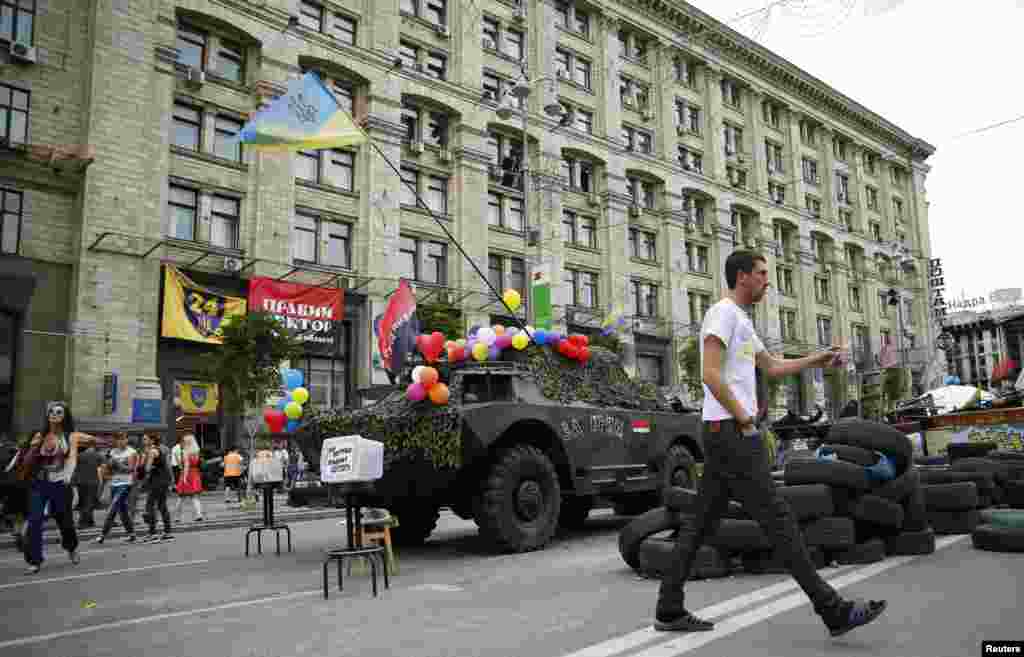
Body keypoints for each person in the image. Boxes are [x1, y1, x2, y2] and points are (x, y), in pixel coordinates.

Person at [654, 250, 887, 638]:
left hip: (726, 433)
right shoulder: (722, 313)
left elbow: (773, 366)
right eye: (762, 273)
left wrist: (817, 359)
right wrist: (744, 417)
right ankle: (833, 610)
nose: (768, 280)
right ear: (742, 276)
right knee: (778, 520)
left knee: (700, 522)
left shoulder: (742, 320)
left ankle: (669, 606)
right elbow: (710, 374)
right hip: (730, 431)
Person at [21, 401, 94, 574]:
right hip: (39, 483)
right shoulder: (38, 434)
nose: (54, 415)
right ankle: (35, 560)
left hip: (61, 485)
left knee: (65, 520)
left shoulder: (70, 437)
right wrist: (33, 447)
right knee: (35, 520)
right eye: (51, 412)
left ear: (64, 416)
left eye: (59, 412)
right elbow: (26, 461)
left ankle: (71, 547)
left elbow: (74, 460)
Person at [94, 432, 138, 544]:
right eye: (118, 439)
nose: (121, 441)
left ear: (127, 440)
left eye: (123, 439)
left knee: (112, 508)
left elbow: (130, 469)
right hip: (114, 484)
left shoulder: (131, 452)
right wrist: (106, 467)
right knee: (122, 511)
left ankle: (102, 535)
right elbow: (108, 469)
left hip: (125, 484)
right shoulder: (112, 452)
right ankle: (131, 534)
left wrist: (116, 463)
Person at [140, 434, 174, 542]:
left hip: (156, 482)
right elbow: (167, 466)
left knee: (150, 506)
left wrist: (144, 459)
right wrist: (171, 480)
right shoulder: (160, 450)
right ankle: (167, 532)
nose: (143, 441)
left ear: (152, 440)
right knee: (162, 506)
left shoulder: (152, 451)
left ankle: (152, 533)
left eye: (145, 439)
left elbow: (147, 469)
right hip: (162, 481)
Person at [72, 439, 102, 529]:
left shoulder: (79, 456)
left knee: (83, 502)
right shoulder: (98, 455)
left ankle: (90, 521)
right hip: (93, 482)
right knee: (89, 503)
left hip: (80, 482)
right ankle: (82, 522)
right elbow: (103, 467)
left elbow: (74, 468)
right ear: (93, 445)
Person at [173, 434, 203, 522]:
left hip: (187, 474)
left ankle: (177, 517)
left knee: (181, 497)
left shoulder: (185, 452)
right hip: (195, 474)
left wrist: (185, 478)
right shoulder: (196, 452)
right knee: (195, 497)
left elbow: (185, 466)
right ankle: (199, 514)